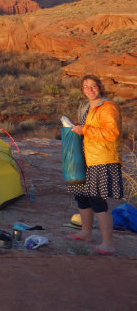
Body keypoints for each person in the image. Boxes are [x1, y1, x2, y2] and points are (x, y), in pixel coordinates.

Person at [65, 74, 124, 255]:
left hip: (102, 159)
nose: (90, 90)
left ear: (100, 87)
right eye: (86, 86)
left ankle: (108, 243)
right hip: (85, 158)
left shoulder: (107, 107)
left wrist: (85, 130)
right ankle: (86, 232)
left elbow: (112, 132)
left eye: (93, 86)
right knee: (82, 196)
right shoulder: (87, 107)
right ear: (82, 90)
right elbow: (89, 131)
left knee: (97, 199)